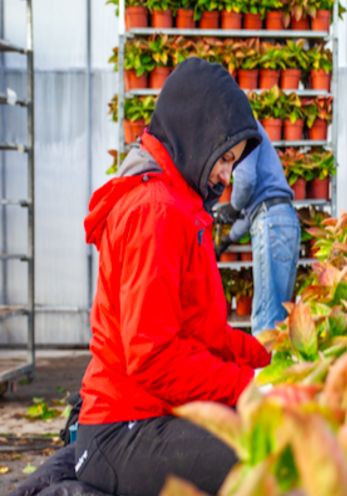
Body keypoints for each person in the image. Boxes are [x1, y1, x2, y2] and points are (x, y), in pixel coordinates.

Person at [75, 58, 272, 495]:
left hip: (150, 412)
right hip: (122, 428)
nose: (226, 175)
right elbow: (154, 356)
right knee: (267, 464)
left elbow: (202, 333)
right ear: (196, 134)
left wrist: (270, 361)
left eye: (233, 163)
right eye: (224, 158)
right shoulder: (155, 212)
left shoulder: (179, 204)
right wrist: (252, 386)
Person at [213, 121, 300, 334]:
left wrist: (233, 207)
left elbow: (246, 179)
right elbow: (255, 210)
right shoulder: (251, 129)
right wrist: (228, 238)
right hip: (283, 220)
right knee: (278, 321)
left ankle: (264, 368)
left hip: (272, 222)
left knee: (267, 322)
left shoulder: (242, 126)